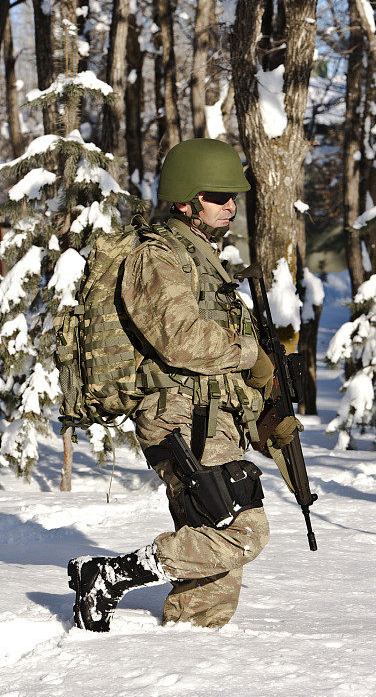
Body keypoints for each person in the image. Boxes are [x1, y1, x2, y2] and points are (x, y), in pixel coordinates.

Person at [68, 138, 298, 632]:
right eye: (218, 195)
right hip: (180, 417)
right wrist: (251, 354)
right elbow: (181, 339)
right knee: (244, 532)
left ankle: (190, 653)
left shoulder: (204, 261)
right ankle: (109, 576)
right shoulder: (158, 257)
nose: (231, 205)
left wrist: (263, 413)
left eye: (233, 196)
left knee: (214, 583)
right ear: (185, 200)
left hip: (209, 417)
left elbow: (217, 360)